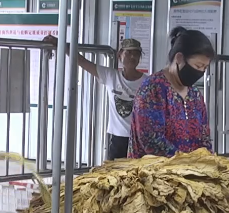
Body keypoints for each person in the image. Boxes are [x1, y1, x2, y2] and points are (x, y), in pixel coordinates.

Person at [43, 35, 148, 160]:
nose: (132, 57)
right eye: (128, 52)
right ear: (120, 54)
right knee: (113, 174)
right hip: (117, 137)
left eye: (136, 53)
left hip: (139, 138)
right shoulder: (111, 76)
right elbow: (81, 61)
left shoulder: (147, 82)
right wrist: (62, 45)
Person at [128, 27, 213, 158]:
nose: (201, 72)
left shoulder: (195, 95)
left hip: (191, 173)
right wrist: (186, 162)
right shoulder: (152, 89)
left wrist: (208, 160)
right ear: (179, 58)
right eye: (197, 66)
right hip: (153, 174)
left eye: (205, 68)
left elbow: (204, 138)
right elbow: (151, 141)